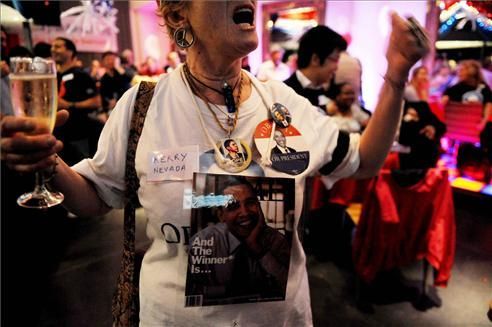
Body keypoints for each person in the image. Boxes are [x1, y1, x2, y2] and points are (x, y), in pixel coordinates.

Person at [1, 0, 428, 325]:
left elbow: (366, 161)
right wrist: (48, 160)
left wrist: (396, 74)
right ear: (179, 15)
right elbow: (95, 195)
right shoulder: (143, 105)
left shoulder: (284, 105)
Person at [186, 176, 289, 306]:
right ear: (221, 215)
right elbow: (189, 290)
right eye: (233, 206)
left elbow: (290, 287)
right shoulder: (203, 241)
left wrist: (259, 251)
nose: (245, 212)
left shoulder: (276, 240)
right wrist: (228, 291)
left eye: (250, 203)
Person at [50, 37, 103, 164]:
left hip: (79, 135)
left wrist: (69, 104)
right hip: (58, 136)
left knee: (81, 170)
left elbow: (97, 101)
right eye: (52, 47)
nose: (53, 50)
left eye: (58, 46)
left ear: (70, 51)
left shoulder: (82, 75)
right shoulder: (54, 76)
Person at [284, 25, 347, 112]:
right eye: (335, 60)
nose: (336, 67)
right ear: (315, 59)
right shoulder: (285, 92)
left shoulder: (330, 90)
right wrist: (324, 110)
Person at [442, 59, 492, 161]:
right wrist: (483, 122)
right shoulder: (484, 89)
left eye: (462, 70)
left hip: (454, 130)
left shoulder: (453, 89)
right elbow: (488, 107)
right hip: (476, 129)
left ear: (471, 72)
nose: (458, 72)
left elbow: (442, 104)